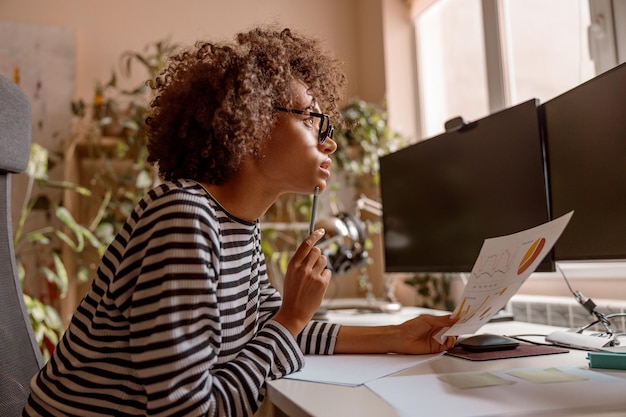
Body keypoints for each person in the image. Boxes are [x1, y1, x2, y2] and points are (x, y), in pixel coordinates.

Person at [23, 26, 456, 417]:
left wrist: (394, 336)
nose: (330, 141)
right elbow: (190, 411)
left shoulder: (237, 225)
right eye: (311, 118)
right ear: (252, 122)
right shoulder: (184, 220)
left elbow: (265, 325)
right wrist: (291, 319)